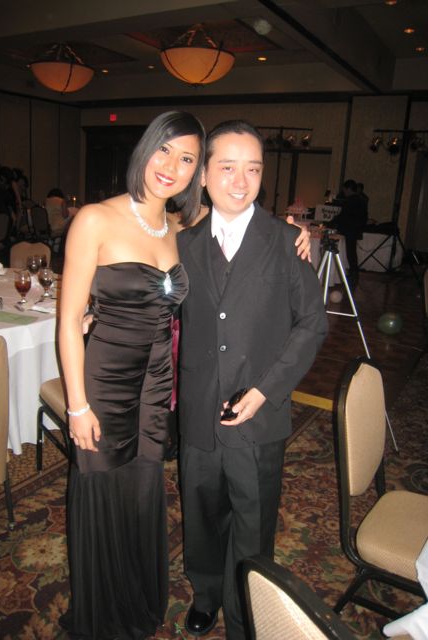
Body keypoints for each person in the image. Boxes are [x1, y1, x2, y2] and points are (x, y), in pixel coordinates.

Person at [176, 120, 328, 640]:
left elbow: (313, 323)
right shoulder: (183, 244)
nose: (240, 182)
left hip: (259, 417)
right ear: (203, 175)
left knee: (252, 521)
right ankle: (205, 594)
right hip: (199, 410)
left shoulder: (287, 241)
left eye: (253, 169)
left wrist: (266, 390)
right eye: (227, 167)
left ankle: (244, 611)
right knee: (200, 513)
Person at [58, 111, 205, 640]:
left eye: (186, 159)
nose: (171, 166)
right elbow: (69, 321)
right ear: (146, 148)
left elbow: (241, 217)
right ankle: (103, 614)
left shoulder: (183, 226)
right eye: (164, 149)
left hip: (157, 383)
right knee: (102, 486)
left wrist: (294, 232)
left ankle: (138, 596)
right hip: (104, 379)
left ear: (196, 172)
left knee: (143, 488)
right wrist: (77, 405)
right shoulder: (95, 219)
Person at [328, 179, 368, 276]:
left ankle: (353, 272)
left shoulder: (350, 201)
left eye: (345, 190)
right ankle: (354, 271)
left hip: (350, 229)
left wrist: (330, 223)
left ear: (349, 189)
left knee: (350, 252)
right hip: (356, 229)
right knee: (352, 252)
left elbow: (343, 216)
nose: (344, 192)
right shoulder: (361, 200)